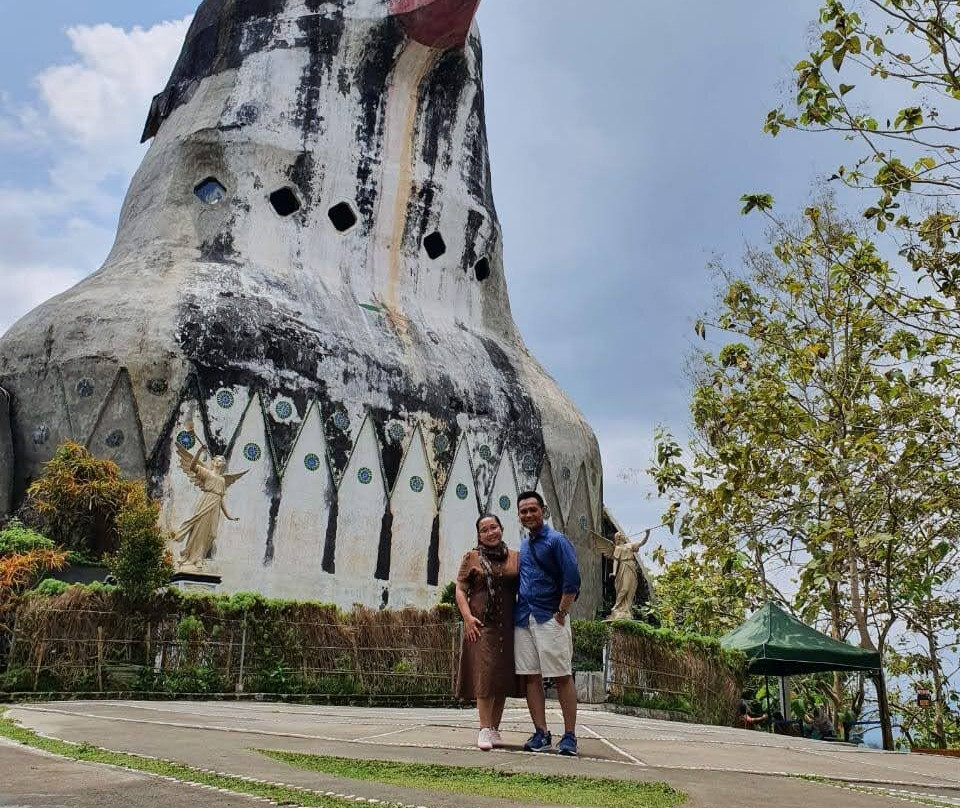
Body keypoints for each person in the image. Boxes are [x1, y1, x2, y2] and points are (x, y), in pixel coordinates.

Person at [514, 491, 581, 756]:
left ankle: (570, 736)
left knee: (562, 675)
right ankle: (541, 732)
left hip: (550, 616)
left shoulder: (557, 541)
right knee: (532, 676)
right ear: (519, 516)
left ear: (544, 510)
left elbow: (572, 579)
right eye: (524, 511)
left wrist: (562, 612)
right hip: (524, 617)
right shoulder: (525, 544)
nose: (529, 515)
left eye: (533, 509)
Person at [455, 514, 522, 751]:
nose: (490, 532)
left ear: (501, 528)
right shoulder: (472, 557)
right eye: (485, 530)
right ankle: (484, 728)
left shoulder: (515, 557)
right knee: (485, 674)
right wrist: (467, 617)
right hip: (481, 624)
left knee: (501, 676)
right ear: (479, 535)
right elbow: (461, 589)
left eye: (494, 527)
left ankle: (494, 728)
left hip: (508, 624)